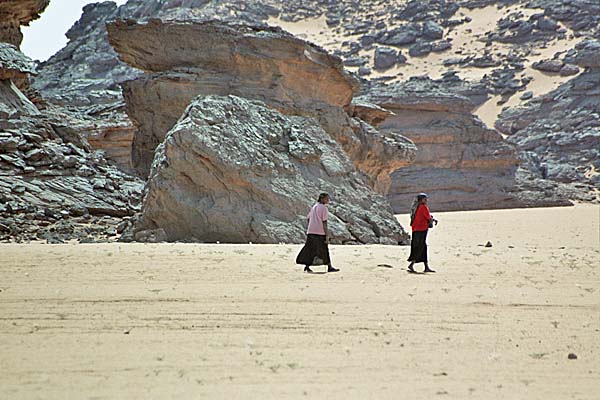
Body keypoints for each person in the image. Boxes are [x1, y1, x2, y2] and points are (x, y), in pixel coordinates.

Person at [296, 193, 339, 273]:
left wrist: (312, 225)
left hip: (311, 231)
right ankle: (329, 266)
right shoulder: (324, 208)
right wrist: (326, 234)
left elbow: (308, 218)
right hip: (319, 232)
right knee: (324, 249)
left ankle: (307, 266)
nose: (328, 200)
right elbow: (324, 222)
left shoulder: (314, 207)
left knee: (310, 249)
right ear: (322, 199)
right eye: (327, 199)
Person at [407, 193, 437, 273]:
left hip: (416, 229)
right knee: (421, 247)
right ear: (421, 200)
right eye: (425, 199)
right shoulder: (423, 207)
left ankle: (425, 266)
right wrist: (432, 220)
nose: (426, 200)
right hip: (422, 229)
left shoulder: (416, 207)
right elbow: (427, 217)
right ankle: (412, 264)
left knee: (419, 246)